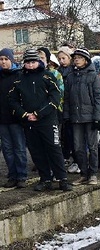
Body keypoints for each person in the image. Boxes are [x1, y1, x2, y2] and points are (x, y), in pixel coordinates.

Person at [8, 49, 72, 191]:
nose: (30, 65)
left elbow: (55, 98)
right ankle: (45, 179)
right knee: (36, 151)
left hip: (48, 121)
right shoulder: (18, 80)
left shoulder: (48, 76)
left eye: (33, 62)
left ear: (38, 62)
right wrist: (25, 114)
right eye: (28, 62)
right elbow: (13, 101)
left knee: (54, 149)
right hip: (29, 122)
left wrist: (38, 113)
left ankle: (63, 179)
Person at [63, 48, 100, 185]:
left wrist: (98, 118)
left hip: (91, 117)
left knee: (93, 146)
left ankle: (93, 173)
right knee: (78, 147)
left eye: (79, 58)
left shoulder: (93, 76)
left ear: (85, 60)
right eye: (75, 58)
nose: (76, 60)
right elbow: (67, 98)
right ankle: (83, 173)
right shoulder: (70, 77)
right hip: (76, 118)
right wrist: (67, 115)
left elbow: (99, 98)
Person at [0, 48, 28, 188]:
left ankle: (22, 175)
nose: (3, 62)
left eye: (6, 59)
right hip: (2, 119)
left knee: (19, 148)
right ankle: (12, 175)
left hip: (16, 118)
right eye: (1, 59)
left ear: (11, 60)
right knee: (7, 149)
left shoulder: (19, 75)